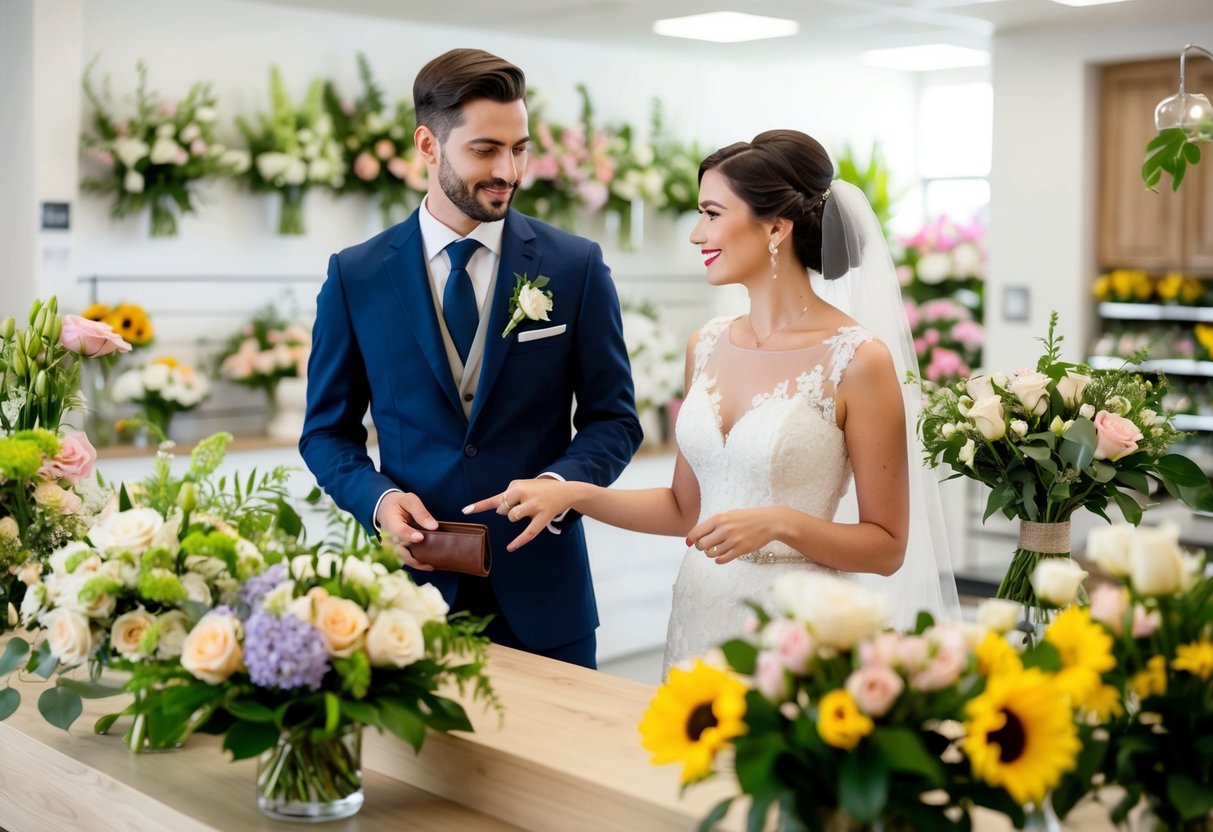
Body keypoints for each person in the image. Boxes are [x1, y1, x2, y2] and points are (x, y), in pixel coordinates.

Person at [465, 130, 959, 672]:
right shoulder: (706, 345)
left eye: (712, 213)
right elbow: (685, 509)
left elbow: (886, 546)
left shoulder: (858, 360)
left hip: (794, 636)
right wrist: (575, 494)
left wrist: (779, 523)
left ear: (776, 227)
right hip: (696, 620)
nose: (698, 234)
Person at [300, 48, 642, 669]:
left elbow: (614, 420)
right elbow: (326, 434)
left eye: (519, 149)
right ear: (428, 145)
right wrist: (377, 501)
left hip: (546, 596)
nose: (508, 170)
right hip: (408, 601)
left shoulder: (575, 266)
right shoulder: (356, 276)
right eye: (485, 150)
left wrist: (559, 484)